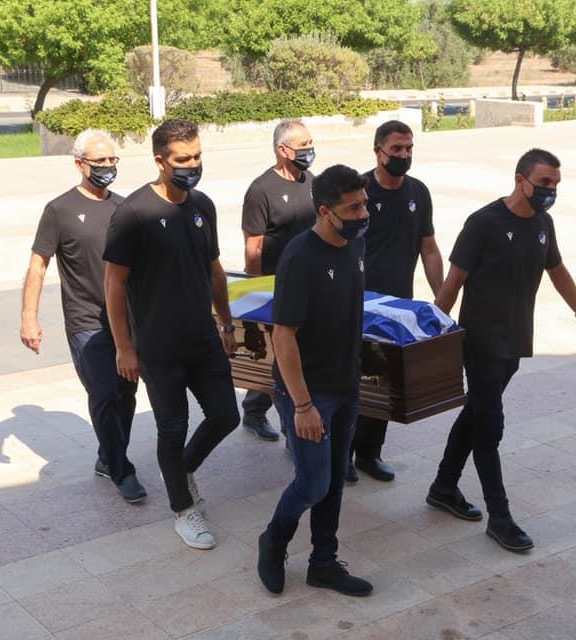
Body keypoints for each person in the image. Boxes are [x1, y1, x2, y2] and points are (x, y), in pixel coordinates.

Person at [427, 148, 576, 552]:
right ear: (520, 180)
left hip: (516, 341)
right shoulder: (484, 223)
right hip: (481, 341)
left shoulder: (543, 223)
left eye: (555, 184)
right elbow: (452, 283)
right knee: (490, 427)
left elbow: (556, 269)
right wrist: (431, 336)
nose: (550, 190)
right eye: (544, 183)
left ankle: (443, 486)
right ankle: (500, 518)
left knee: (475, 414)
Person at [103, 119, 240, 550]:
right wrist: (124, 347)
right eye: (183, 159)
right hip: (158, 346)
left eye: (197, 157)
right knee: (172, 427)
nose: (192, 165)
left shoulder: (203, 206)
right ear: (160, 161)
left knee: (226, 416)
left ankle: (182, 470)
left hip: (203, 337)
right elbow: (114, 283)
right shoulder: (134, 214)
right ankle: (183, 509)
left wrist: (227, 322)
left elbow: (214, 270)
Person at [256, 165, 373, 597]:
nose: (363, 214)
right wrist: (302, 406)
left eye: (364, 204)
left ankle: (323, 562)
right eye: (353, 208)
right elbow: (283, 335)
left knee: (335, 479)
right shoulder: (300, 257)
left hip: (345, 385)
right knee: (312, 483)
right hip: (308, 393)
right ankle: (273, 541)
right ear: (325, 212)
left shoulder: (355, 244)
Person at [20, 129, 145, 503]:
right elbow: (38, 265)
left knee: (126, 394)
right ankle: (122, 470)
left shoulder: (124, 208)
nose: (107, 166)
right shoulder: (59, 211)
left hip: (124, 320)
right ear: (79, 164)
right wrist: (29, 317)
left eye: (112, 160)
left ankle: (108, 456)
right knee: (104, 393)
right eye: (99, 161)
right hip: (85, 320)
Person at [348, 120, 444, 484]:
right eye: (396, 149)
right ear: (378, 152)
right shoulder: (357, 192)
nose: (404, 155)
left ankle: (369, 454)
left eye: (408, 149)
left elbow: (429, 248)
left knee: (384, 382)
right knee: (351, 383)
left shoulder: (418, 192)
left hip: (397, 309)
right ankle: (341, 455)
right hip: (358, 306)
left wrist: (440, 301)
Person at [239, 119, 318, 441]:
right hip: (275, 287)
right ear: (283, 150)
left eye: (311, 143)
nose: (310, 150)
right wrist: (256, 290)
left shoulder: (312, 182)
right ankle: (270, 417)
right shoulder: (261, 190)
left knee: (297, 354)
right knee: (279, 357)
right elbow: (253, 246)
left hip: (310, 284)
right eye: (303, 145)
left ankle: (260, 408)